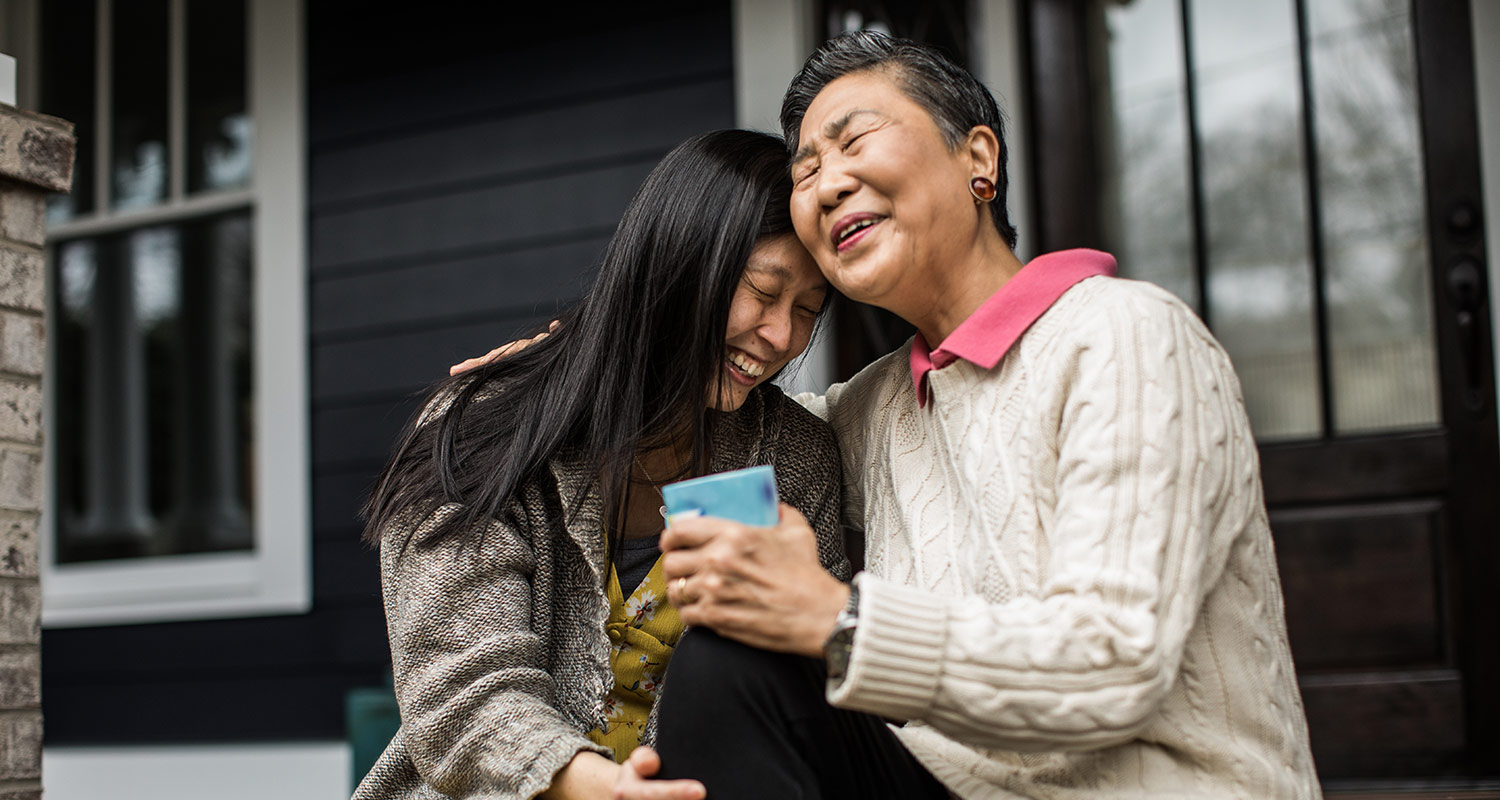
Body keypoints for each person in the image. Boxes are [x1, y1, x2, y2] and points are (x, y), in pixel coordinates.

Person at [645, 32, 1322, 799]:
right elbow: (721, 400)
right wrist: (555, 361)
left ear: (979, 159)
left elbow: (1113, 662)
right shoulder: (877, 408)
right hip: (947, 786)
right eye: (806, 170)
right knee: (728, 659)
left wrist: (839, 622)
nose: (828, 183)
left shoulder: (1126, 336)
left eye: (854, 140)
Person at [355, 129, 851, 800]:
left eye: (807, 312)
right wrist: (601, 788)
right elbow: (462, 692)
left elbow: (805, 692)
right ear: (677, 266)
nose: (783, 338)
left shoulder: (791, 461)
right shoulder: (483, 431)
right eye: (764, 293)